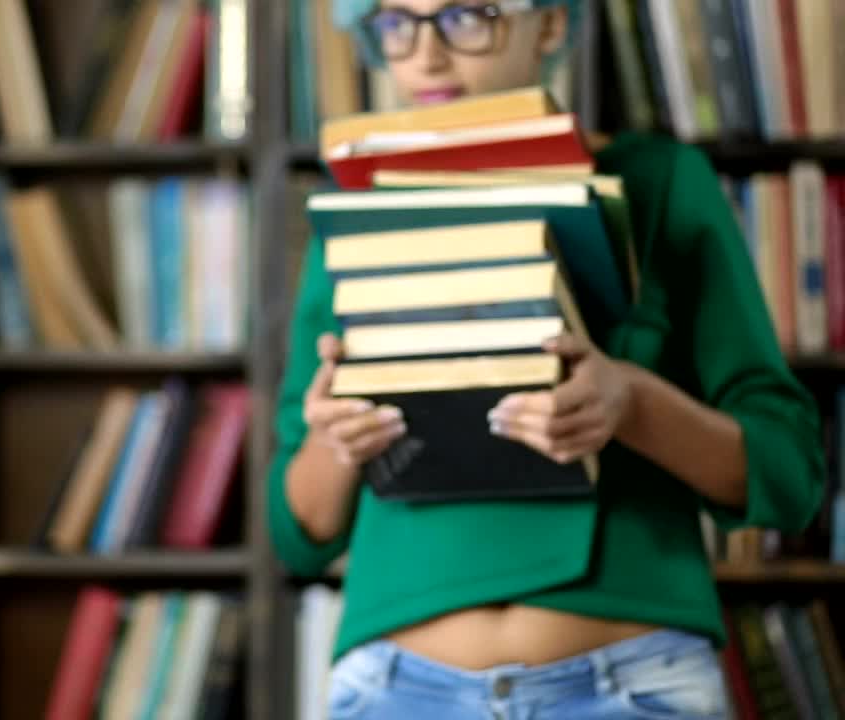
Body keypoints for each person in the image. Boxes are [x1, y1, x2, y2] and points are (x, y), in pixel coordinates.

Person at [266, 0, 827, 718]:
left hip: (627, 684)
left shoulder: (662, 183)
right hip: (397, 690)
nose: (426, 57)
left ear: (553, 25)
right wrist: (336, 436)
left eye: (466, 17)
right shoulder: (350, 211)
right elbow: (298, 534)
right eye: (396, 24)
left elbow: (789, 476)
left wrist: (630, 401)